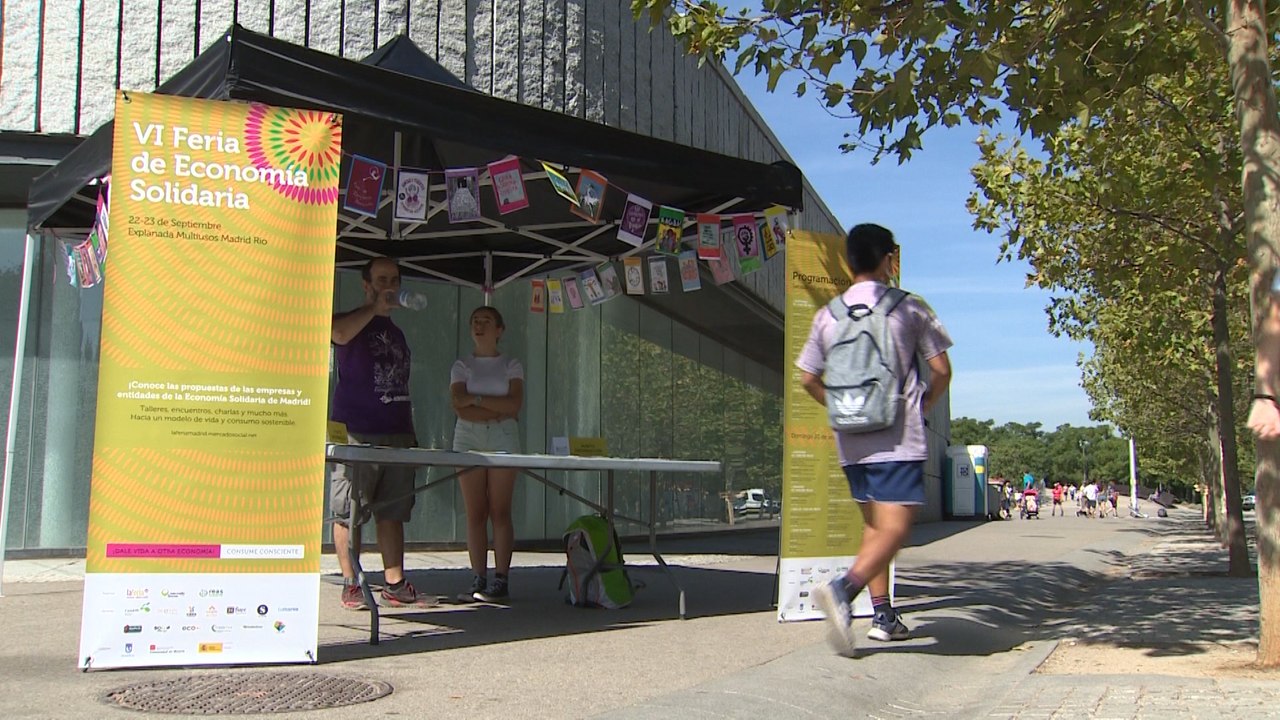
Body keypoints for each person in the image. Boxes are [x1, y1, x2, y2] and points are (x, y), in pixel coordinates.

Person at [798, 224, 953, 657]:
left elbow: (808, 377)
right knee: (896, 527)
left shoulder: (828, 314)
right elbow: (941, 369)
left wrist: (838, 407)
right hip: (896, 435)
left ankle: (883, 617)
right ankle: (843, 590)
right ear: (888, 260)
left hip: (851, 438)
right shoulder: (909, 307)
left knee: (874, 527)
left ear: (849, 262)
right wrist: (923, 405)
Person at [329, 257, 423, 610]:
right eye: (382, 279)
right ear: (366, 284)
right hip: (357, 432)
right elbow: (337, 334)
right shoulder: (352, 321)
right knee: (348, 510)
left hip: (396, 432)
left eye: (394, 280)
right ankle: (351, 581)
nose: (389, 286)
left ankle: (394, 582)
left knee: (393, 510)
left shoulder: (396, 332)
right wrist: (373, 308)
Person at [450, 306, 525, 603]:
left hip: (503, 435)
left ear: (499, 330)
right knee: (475, 511)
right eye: (475, 322)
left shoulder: (511, 364)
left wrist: (477, 400)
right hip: (468, 435)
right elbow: (459, 403)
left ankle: (501, 577)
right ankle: (478, 575)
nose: (479, 326)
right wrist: (493, 406)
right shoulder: (462, 365)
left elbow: (514, 405)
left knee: (500, 510)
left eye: (486, 321)